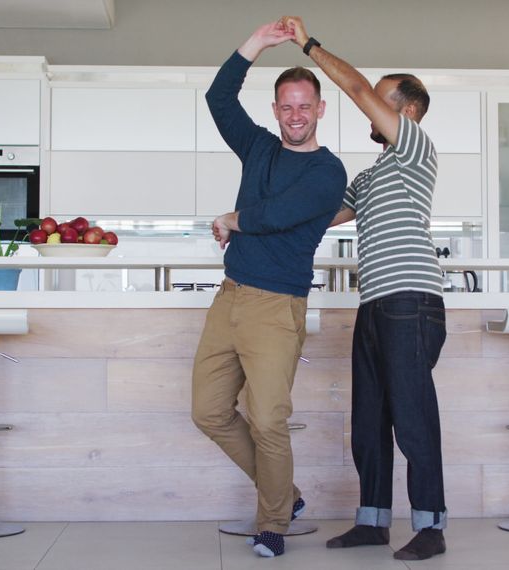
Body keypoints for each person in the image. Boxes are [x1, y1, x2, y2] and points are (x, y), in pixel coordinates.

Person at [281, 15, 449, 561]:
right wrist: (253, 215)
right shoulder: (374, 173)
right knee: (370, 419)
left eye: (380, 101)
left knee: (412, 415)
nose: (367, 108)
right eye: (371, 100)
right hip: (375, 303)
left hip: (411, 300)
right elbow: (324, 215)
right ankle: (373, 521)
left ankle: (430, 527)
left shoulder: (414, 148)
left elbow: (352, 87)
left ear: (408, 111)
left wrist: (308, 45)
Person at [190, 21, 347, 559]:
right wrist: (255, 44)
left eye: (305, 106)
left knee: (267, 420)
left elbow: (279, 216)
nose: (295, 115)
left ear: (320, 109)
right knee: (208, 411)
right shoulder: (257, 147)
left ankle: (272, 521)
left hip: (277, 307)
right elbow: (218, 97)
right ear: (277, 109)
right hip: (230, 296)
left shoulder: (329, 172)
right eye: (286, 106)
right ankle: (287, 495)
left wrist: (233, 219)